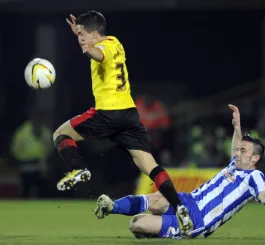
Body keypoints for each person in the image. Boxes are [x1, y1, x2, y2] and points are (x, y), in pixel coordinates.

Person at [52, 10, 193, 233]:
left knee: (61, 134)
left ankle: (78, 169)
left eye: (82, 34)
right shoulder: (116, 42)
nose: (80, 38)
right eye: (78, 34)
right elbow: (98, 47)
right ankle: (179, 207)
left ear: (95, 34)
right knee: (149, 165)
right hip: (128, 113)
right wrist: (81, 35)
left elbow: (99, 54)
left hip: (107, 112)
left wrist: (88, 49)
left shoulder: (102, 48)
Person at [94, 104, 265, 239]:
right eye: (239, 149)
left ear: (254, 158)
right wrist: (237, 126)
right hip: (188, 200)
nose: (238, 152)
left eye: (243, 151)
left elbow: (264, 196)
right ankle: (112, 207)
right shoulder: (234, 165)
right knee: (156, 199)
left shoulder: (254, 176)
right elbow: (234, 146)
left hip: (198, 220)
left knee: (136, 224)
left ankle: (164, 230)